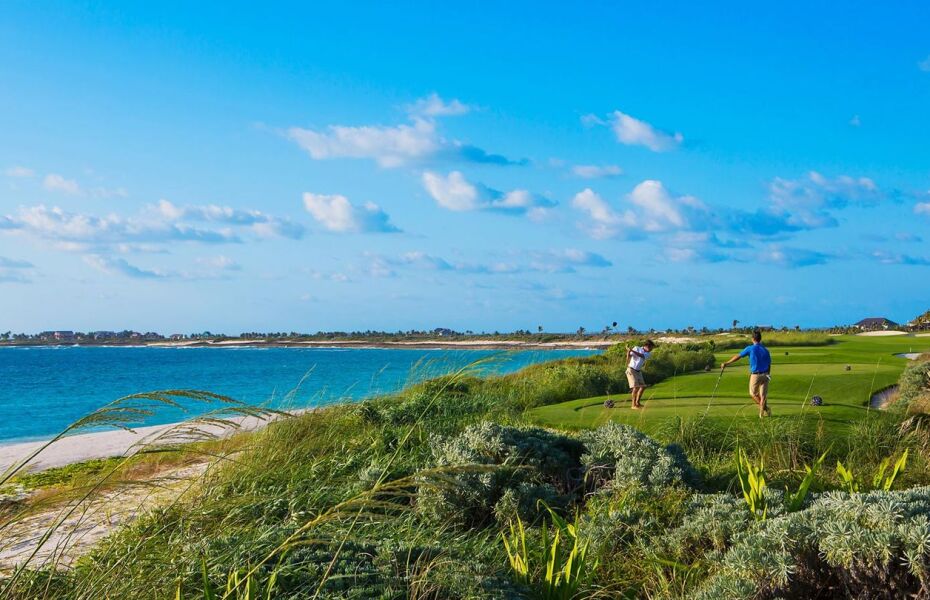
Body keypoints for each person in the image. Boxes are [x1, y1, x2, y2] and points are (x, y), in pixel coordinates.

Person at [720, 330, 772, 417]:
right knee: (763, 396)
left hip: (756, 375)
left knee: (753, 394)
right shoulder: (766, 350)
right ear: (760, 339)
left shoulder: (750, 348)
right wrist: (768, 375)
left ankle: (765, 409)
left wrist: (727, 363)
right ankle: (762, 414)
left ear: (752, 339)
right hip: (766, 374)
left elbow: (738, 356)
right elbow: (769, 364)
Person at [625, 340, 654, 409]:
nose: (651, 350)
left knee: (643, 386)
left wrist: (632, 350)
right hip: (631, 370)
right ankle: (633, 405)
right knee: (636, 387)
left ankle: (637, 403)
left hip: (638, 371)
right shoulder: (637, 348)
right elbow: (628, 357)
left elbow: (641, 355)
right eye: (651, 348)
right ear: (646, 346)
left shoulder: (648, 354)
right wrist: (628, 351)